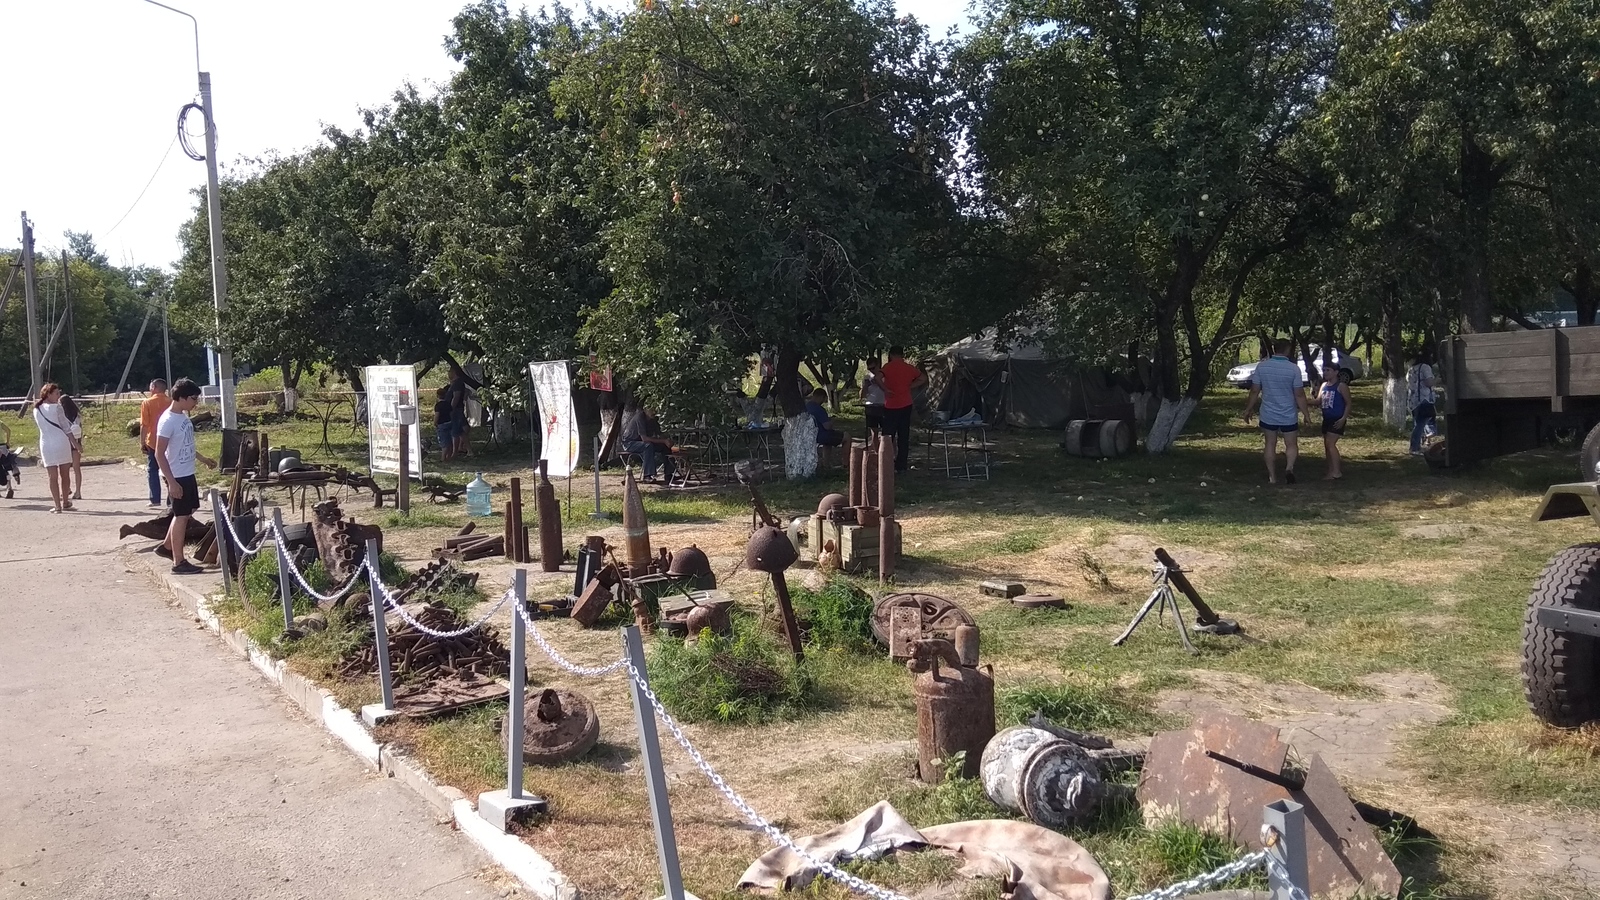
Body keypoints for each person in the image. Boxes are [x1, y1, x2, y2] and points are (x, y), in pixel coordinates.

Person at [155, 378, 217, 574]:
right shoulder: (167, 421)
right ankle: (178, 562)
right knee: (181, 516)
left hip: (187, 472)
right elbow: (159, 453)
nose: (195, 402)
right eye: (193, 398)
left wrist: (203, 459)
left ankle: (167, 547)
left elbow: (185, 445)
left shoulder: (182, 417)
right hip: (176, 475)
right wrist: (171, 482)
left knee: (187, 511)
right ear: (180, 397)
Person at [1242, 338, 1310, 484]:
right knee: (1291, 444)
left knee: (1270, 444)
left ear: (1274, 349)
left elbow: (1254, 390)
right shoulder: (1293, 369)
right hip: (1288, 413)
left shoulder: (1262, 367)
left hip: (1268, 412)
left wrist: (1248, 409)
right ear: (1287, 350)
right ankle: (1289, 467)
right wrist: (1306, 413)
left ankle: (1272, 476)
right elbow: (1299, 394)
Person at [32, 384, 78, 511]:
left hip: (46, 443)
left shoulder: (36, 409)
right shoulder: (57, 407)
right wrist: (75, 443)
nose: (59, 396)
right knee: (65, 475)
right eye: (56, 393)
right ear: (48, 394)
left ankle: (57, 506)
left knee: (52, 476)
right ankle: (65, 502)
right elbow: (65, 427)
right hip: (61, 442)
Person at [879, 346, 926, 472]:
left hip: (891, 405)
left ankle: (886, 464)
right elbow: (923, 378)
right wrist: (910, 386)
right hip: (906, 404)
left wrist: (885, 389)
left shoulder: (887, 367)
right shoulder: (909, 368)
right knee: (903, 436)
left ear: (891, 354)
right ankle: (901, 466)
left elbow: (877, 377)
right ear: (902, 355)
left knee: (888, 436)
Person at [622, 405, 676, 484]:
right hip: (630, 443)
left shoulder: (653, 420)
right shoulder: (639, 418)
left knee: (664, 447)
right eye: (651, 409)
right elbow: (645, 438)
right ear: (645, 409)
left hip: (643, 443)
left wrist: (668, 440)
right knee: (648, 446)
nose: (653, 411)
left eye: (655, 409)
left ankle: (669, 474)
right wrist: (663, 440)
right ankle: (647, 475)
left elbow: (659, 434)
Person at [139, 378, 171, 507]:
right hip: (169, 440)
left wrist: (142, 442)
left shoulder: (147, 403)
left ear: (155, 387)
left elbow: (144, 425)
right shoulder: (171, 401)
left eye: (151, 387)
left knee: (152, 470)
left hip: (153, 441)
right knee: (170, 469)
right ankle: (171, 499)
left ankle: (155, 499)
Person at [1319, 366, 1352, 480]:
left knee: (1331, 444)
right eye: (1324, 370)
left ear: (1336, 372)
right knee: (1327, 446)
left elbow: (1348, 403)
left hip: (1337, 419)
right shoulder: (1324, 386)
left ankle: (1337, 471)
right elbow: (1318, 400)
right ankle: (1331, 470)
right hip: (1326, 419)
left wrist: (1343, 419)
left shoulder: (1341, 386)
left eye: (1328, 370)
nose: (1325, 372)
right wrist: (1302, 400)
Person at [1408, 348, 1438, 456]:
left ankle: (1418, 446)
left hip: (1413, 400)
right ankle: (1414, 447)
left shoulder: (1412, 368)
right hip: (1424, 399)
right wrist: (1437, 380)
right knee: (1421, 424)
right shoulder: (1425, 367)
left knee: (1417, 423)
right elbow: (1429, 383)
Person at [60, 393, 84, 500]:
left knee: (64, 469)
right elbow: (80, 430)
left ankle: (67, 488)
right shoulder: (77, 416)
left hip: (65, 443)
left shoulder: (62, 417)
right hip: (76, 443)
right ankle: (78, 491)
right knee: (76, 469)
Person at [446, 366, 473, 459]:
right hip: (458, 409)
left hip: (456, 410)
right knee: (463, 429)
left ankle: (457, 452)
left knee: (457, 431)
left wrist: (451, 409)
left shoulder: (457, 384)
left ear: (454, 372)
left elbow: (456, 397)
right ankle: (463, 449)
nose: (448, 373)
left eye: (449, 371)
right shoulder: (455, 383)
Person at [860, 357, 886, 437]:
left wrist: (879, 382)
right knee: (874, 432)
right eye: (869, 368)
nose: (872, 370)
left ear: (878, 365)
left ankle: (888, 449)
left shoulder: (885, 375)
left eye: (873, 368)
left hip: (884, 405)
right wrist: (865, 386)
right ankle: (876, 449)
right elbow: (862, 396)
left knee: (887, 432)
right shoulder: (867, 377)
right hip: (871, 406)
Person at [433, 387, 456, 461]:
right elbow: (451, 414)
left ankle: (443, 458)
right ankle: (448, 456)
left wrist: (435, 423)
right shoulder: (448, 404)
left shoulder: (438, 406)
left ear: (437, 396)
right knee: (449, 440)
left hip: (441, 424)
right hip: (449, 423)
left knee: (443, 442)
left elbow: (437, 415)